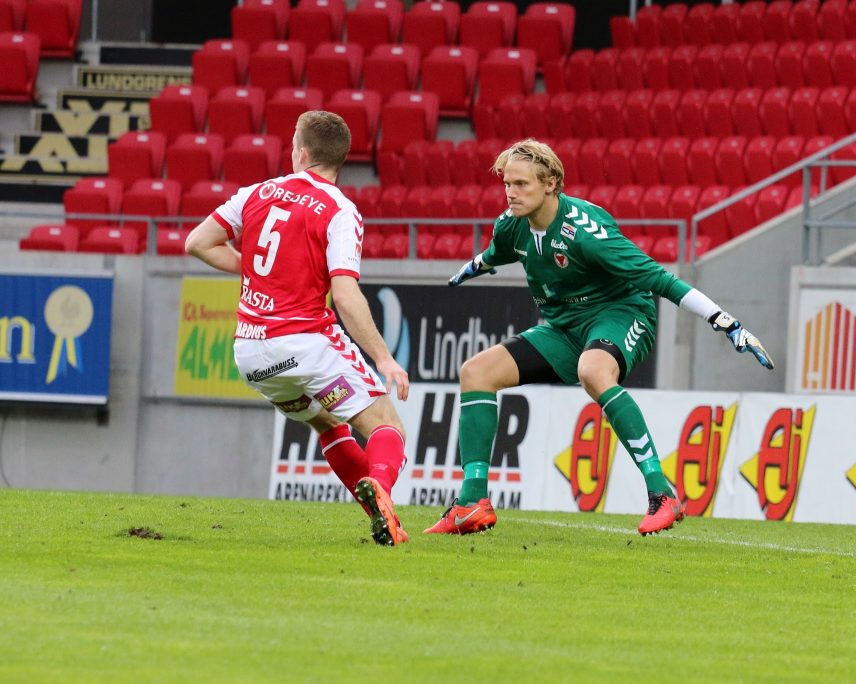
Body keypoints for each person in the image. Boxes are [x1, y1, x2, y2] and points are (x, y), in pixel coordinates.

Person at [425, 138, 774, 537]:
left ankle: (662, 493)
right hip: (563, 326)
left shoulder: (585, 231)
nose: (511, 192)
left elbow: (659, 278)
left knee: (592, 371)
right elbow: (499, 252)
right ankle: (472, 502)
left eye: (521, 184)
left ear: (551, 183)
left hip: (620, 313)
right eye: (507, 183)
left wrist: (726, 323)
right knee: (476, 373)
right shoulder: (511, 224)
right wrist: (474, 266)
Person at [185, 111, 411, 547]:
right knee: (387, 426)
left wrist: (254, 271)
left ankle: (384, 519)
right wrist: (384, 358)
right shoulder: (340, 210)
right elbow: (345, 295)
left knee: (326, 424)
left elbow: (197, 242)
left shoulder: (255, 193)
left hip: (251, 354)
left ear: (302, 153)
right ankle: (381, 486)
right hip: (305, 345)